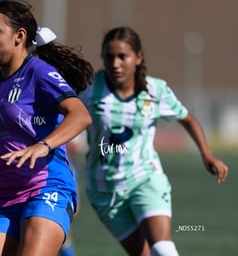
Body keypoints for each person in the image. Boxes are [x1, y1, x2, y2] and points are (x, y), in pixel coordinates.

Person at [0, 0, 94, 256]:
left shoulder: (39, 73)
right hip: (3, 198)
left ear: (19, 36)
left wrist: (43, 145)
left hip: (47, 189)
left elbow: (80, 115)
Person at [82, 26, 229, 255]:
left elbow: (187, 119)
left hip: (145, 178)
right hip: (104, 188)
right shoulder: (89, 90)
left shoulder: (155, 90)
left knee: (162, 246)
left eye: (123, 56)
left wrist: (207, 154)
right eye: (109, 57)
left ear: (138, 58)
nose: (116, 63)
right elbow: (64, 115)